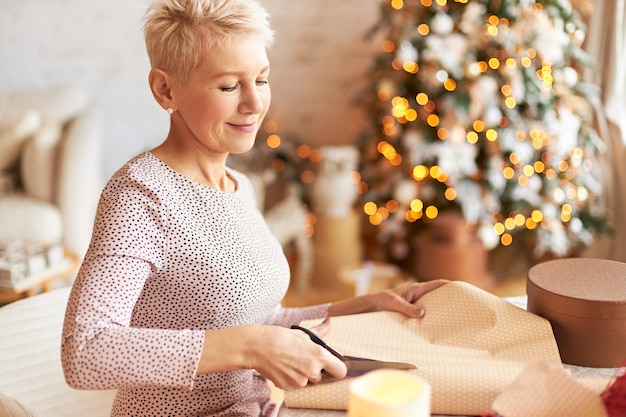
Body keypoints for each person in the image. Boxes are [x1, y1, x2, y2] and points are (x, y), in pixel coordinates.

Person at [60, 0, 448, 416]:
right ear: (165, 89)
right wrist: (251, 347)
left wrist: (366, 305)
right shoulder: (141, 196)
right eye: (229, 86)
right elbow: (85, 352)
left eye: (261, 80)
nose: (254, 104)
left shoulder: (238, 187)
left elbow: (258, 318)